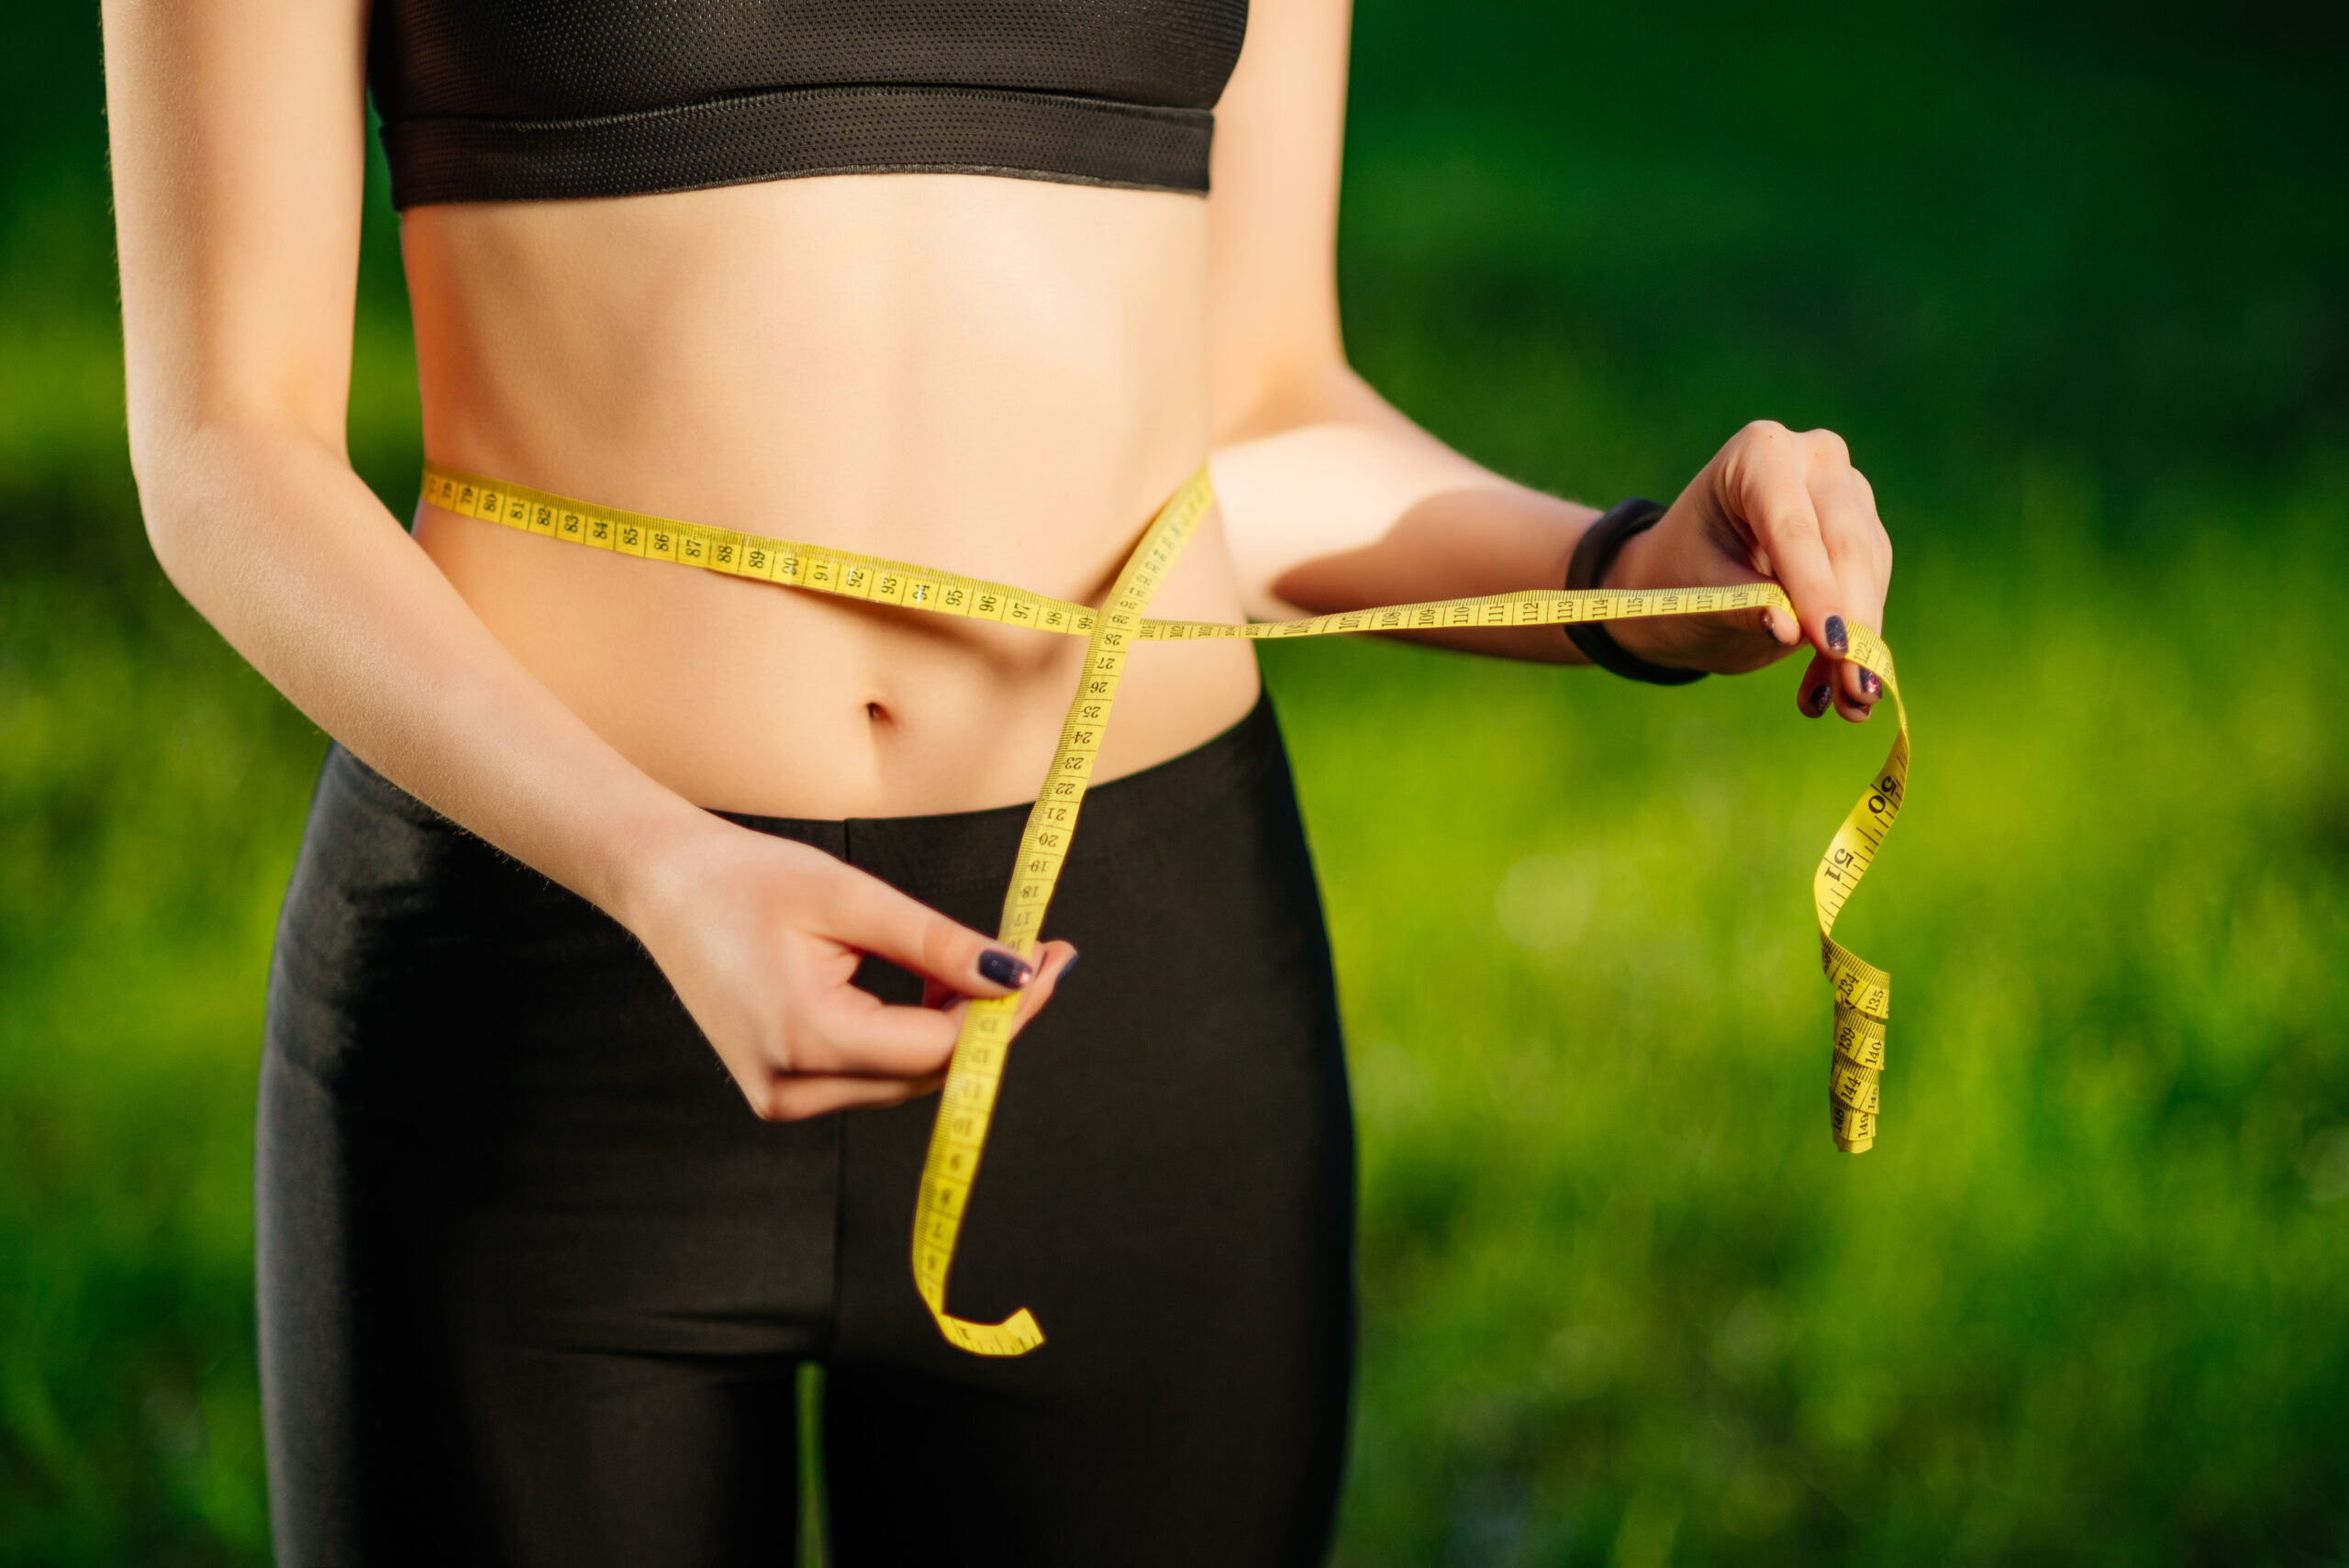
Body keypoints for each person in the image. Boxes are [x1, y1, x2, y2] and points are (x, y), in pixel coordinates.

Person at [101, 0, 1892, 1560]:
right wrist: (652, 865)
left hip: (1138, 997)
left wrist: (1625, 580)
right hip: (543, 974)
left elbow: (1254, 416)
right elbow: (225, 447)